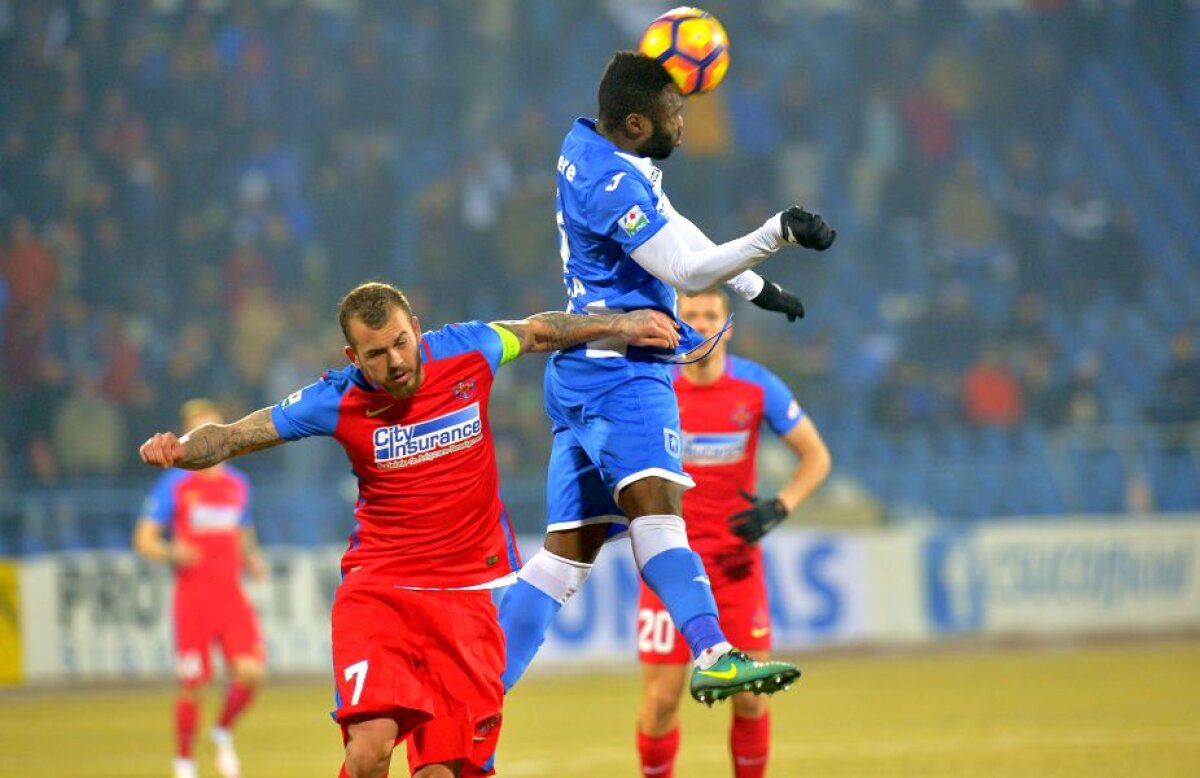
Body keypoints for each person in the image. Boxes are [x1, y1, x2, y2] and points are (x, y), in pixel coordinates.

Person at [138, 282, 681, 778]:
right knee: (369, 750)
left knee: (442, 772)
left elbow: (540, 331)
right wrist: (180, 450)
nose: (396, 361)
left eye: (401, 342)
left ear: (416, 329)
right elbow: (236, 435)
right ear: (353, 357)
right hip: (381, 592)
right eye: (376, 353)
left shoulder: (470, 349)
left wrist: (621, 324)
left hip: (467, 598)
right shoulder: (336, 398)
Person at [498, 51, 836, 704]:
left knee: (563, 559)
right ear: (634, 123)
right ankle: (714, 653)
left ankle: (479, 684)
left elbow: (671, 222)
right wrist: (777, 232)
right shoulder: (611, 185)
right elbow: (682, 271)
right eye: (674, 114)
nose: (684, 125)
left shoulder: (585, 144)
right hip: (625, 374)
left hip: (579, 372)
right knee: (660, 520)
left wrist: (757, 287)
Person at [635, 290, 832, 778]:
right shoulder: (654, 384)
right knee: (661, 701)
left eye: (711, 315)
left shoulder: (756, 386)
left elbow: (817, 457)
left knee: (750, 697)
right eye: (691, 316)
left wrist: (781, 505)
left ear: (728, 327)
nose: (701, 324)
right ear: (675, 324)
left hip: (736, 566)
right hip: (669, 567)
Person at [133, 398, 268, 778]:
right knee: (193, 686)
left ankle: (222, 731)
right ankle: (184, 762)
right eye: (196, 428)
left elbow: (242, 530)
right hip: (193, 600)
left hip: (231, 596)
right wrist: (172, 551)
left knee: (252, 673)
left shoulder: (238, 484)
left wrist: (252, 558)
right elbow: (144, 539)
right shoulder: (174, 483)